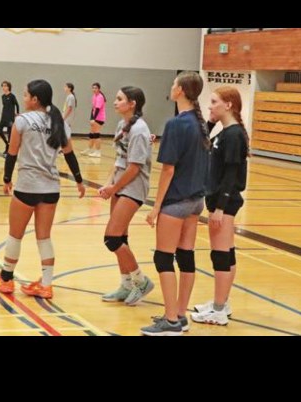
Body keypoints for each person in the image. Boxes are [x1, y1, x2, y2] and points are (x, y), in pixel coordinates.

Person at [0, 80, 86, 299]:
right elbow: (69, 153)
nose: (23, 99)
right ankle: (46, 284)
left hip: (28, 185)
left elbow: (12, 153)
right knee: (44, 237)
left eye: (25, 95)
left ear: (35, 99)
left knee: (15, 235)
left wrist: (6, 178)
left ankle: (5, 278)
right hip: (51, 187)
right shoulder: (59, 122)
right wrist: (79, 179)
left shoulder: (22, 121)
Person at [141, 72, 210, 336]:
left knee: (163, 258)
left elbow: (168, 170)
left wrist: (156, 207)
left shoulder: (176, 124)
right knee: (186, 255)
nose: (170, 88)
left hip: (177, 200)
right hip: (196, 201)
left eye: (173, 85)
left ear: (180, 90)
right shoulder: (200, 123)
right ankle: (180, 315)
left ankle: (170, 322)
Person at [192, 86, 250, 326]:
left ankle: (218, 310)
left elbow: (232, 173)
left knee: (220, 254)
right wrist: (211, 120)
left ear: (228, 104)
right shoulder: (225, 132)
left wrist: (219, 208)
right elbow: (203, 138)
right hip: (218, 199)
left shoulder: (234, 135)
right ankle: (222, 302)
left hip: (223, 202)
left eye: (214, 102)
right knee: (227, 252)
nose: (209, 106)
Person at [98, 87, 155, 305]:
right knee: (120, 238)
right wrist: (109, 183)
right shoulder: (123, 125)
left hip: (134, 188)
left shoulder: (140, 130)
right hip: (121, 186)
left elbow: (134, 168)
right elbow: (120, 160)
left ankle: (141, 281)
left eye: (119, 99)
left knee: (111, 238)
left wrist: (114, 188)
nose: (115, 102)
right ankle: (126, 284)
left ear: (132, 103)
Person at [0, 81, 20, 149]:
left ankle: (8, 148)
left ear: (9, 87)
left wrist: (17, 113)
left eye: (5, 86)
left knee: (9, 133)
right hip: (4, 115)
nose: (4, 87)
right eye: (3, 86)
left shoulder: (12, 96)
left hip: (10, 117)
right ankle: (7, 143)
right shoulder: (3, 96)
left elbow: (17, 104)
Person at [87, 83, 107, 157]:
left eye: (95, 88)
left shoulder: (100, 97)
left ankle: (98, 151)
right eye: (93, 88)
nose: (94, 89)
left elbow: (98, 109)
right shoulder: (94, 96)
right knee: (91, 134)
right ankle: (89, 149)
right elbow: (93, 109)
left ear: (99, 89)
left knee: (96, 134)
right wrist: (91, 118)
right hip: (95, 118)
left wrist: (94, 119)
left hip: (99, 118)